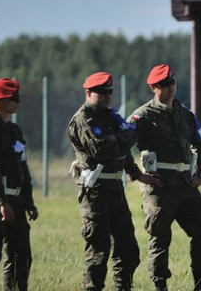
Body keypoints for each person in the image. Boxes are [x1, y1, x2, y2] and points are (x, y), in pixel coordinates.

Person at [68, 72, 161, 291]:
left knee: (128, 251)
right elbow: (100, 149)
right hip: (95, 192)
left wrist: (137, 174)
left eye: (109, 91)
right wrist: (120, 139)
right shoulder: (83, 119)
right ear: (89, 93)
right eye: (101, 92)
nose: (107, 96)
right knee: (98, 253)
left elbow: (130, 138)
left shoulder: (111, 115)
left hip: (115, 189)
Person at [128, 64, 201, 291]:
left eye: (172, 83)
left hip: (185, 184)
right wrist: (138, 175)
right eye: (165, 85)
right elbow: (122, 146)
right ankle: (160, 286)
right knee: (160, 237)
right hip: (159, 187)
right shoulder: (142, 116)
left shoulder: (185, 114)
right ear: (153, 88)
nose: (170, 88)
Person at [0, 79, 38, 291]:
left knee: (20, 255)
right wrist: (2, 202)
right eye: (13, 98)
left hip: (16, 199)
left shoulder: (14, 130)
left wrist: (28, 201)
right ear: (0, 100)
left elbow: (23, 167)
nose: (18, 101)